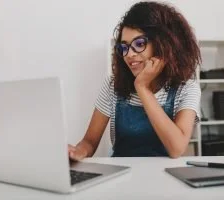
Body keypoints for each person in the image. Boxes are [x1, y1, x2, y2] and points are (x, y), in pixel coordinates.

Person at [68, 1, 201, 159]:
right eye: (124, 47)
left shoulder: (186, 88)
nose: (129, 54)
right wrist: (78, 152)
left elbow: (177, 148)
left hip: (165, 179)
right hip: (122, 176)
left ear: (163, 45)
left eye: (139, 44)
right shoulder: (112, 85)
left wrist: (142, 87)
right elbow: (89, 141)